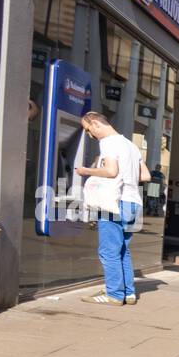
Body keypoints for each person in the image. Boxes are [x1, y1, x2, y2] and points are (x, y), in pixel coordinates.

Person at [75, 111, 150, 305]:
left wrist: (86, 171)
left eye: (88, 129)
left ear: (96, 124)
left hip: (114, 202)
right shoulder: (131, 146)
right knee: (123, 249)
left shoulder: (108, 142)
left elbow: (110, 171)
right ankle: (129, 293)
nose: (89, 134)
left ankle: (114, 294)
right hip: (134, 202)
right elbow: (146, 176)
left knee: (108, 251)